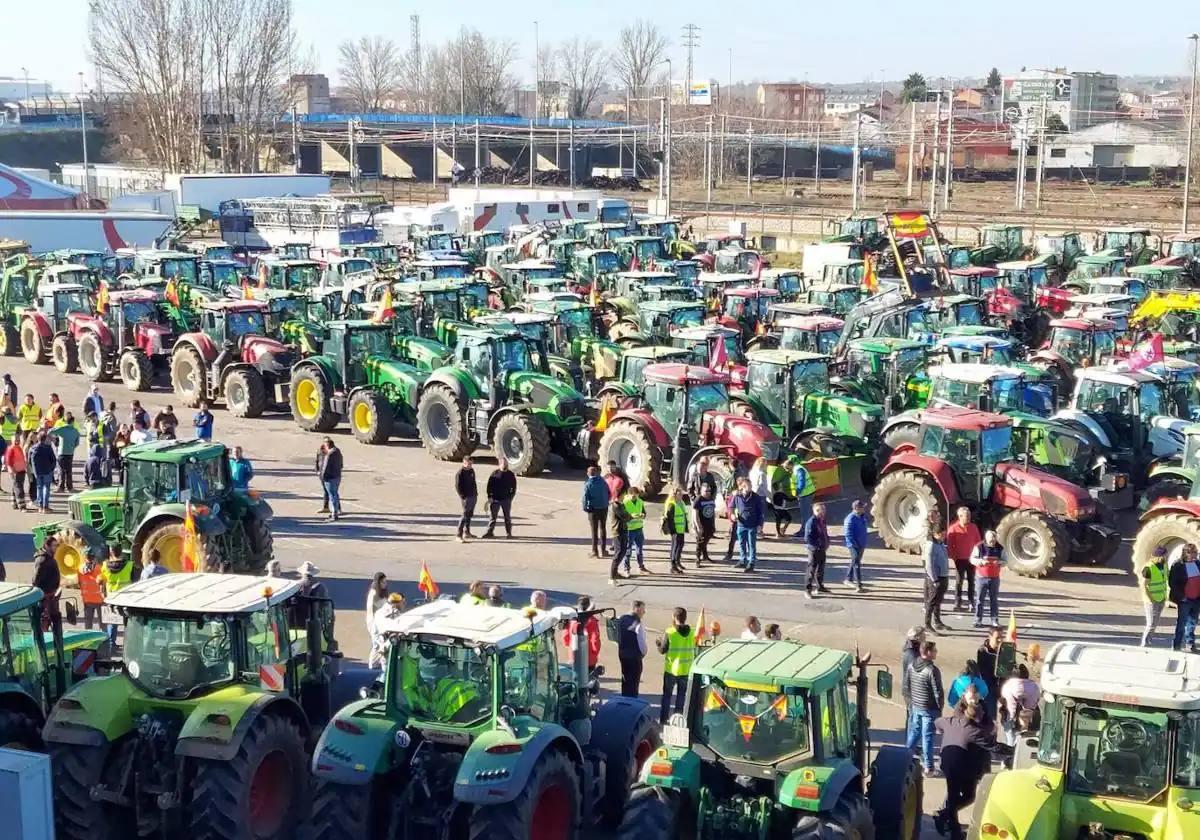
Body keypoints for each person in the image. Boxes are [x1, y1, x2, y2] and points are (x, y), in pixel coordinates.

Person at [934, 695, 996, 839]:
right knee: (957, 796)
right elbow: (994, 747)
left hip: (957, 766)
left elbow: (937, 723)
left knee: (966, 796)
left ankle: (943, 815)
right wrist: (1013, 750)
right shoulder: (976, 731)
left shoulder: (951, 721)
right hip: (960, 768)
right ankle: (954, 832)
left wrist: (944, 732)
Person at [904, 640, 944, 777]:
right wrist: (939, 710)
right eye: (934, 650)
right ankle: (929, 767)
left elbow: (907, 686)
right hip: (929, 708)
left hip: (916, 706)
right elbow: (937, 692)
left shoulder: (911, 666)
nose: (936, 652)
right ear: (927, 652)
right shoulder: (932, 670)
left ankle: (905, 758)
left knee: (914, 733)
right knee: (927, 738)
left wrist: (912, 702)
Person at [657, 607, 695, 725]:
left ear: (674, 617)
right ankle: (677, 721)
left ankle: (663, 720)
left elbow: (662, 650)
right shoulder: (692, 632)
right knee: (681, 697)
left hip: (671, 670)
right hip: (686, 670)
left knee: (667, 696)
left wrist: (658, 643)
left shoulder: (670, 632)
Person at [946, 507, 982, 613]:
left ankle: (971, 602)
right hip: (959, 559)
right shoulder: (953, 528)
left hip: (971, 559)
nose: (969, 518)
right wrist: (954, 556)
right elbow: (949, 545)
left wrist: (978, 556)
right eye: (967, 516)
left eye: (969, 515)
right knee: (959, 582)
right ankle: (957, 602)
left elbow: (978, 542)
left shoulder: (973, 527)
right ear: (960, 516)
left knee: (971, 582)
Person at [100, 547, 135, 646]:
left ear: (111, 552)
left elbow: (101, 580)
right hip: (126, 598)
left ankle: (111, 644)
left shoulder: (105, 566)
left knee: (112, 621)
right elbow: (134, 581)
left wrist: (102, 593)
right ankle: (128, 644)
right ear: (121, 552)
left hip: (112, 597)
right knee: (128, 621)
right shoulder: (129, 565)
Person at [999, 664, 1041, 747]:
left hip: (1014, 715)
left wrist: (1011, 719)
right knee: (1031, 738)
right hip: (1030, 716)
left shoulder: (1008, 686)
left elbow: (1011, 706)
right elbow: (1034, 702)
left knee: (1010, 734)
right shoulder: (1034, 686)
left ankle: (1011, 750)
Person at [1169, 544, 1200, 651]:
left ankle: (1190, 644)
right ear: (1186, 553)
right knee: (1181, 623)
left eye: (1196, 552)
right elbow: (1173, 583)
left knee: (1192, 623)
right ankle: (1177, 645)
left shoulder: (1198, 564)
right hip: (1185, 600)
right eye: (1193, 552)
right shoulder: (1178, 566)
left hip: (1196, 599)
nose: (1195, 554)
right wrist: (1181, 597)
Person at [971, 530, 1004, 628]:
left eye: (994, 539)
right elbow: (972, 559)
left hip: (994, 578)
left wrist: (999, 563)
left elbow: (1006, 560)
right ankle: (978, 620)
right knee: (980, 600)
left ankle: (994, 620)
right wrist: (980, 561)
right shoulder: (979, 547)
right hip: (981, 577)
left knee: (994, 600)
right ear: (986, 538)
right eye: (990, 540)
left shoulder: (1000, 548)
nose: (992, 542)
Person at [731, 476, 765, 571]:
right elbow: (731, 507)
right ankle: (742, 560)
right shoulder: (737, 496)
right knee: (741, 543)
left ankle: (752, 562)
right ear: (741, 487)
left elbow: (760, 512)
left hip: (752, 525)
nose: (749, 488)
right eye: (747, 486)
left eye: (750, 486)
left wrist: (760, 525)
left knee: (751, 544)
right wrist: (732, 515)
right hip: (741, 524)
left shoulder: (756, 497)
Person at [923, 523, 951, 633]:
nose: (943, 536)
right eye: (941, 534)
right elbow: (929, 564)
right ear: (935, 534)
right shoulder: (931, 545)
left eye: (944, 534)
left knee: (938, 601)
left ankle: (937, 621)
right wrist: (934, 579)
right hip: (936, 578)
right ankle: (927, 624)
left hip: (943, 576)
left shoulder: (940, 543)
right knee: (931, 602)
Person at [561, 595, 602, 671]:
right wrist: (595, 654)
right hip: (588, 658)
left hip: (573, 654)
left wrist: (570, 646)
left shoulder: (572, 619)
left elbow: (565, 637)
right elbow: (595, 640)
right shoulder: (592, 621)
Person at [616, 600, 647, 698]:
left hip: (623, 654)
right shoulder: (638, 623)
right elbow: (641, 643)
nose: (644, 612)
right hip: (634, 657)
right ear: (636, 609)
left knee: (625, 680)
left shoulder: (622, 619)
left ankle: (624, 699)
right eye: (643, 609)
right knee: (633, 684)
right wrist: (643, 653)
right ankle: (631, 702)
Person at [31, 535, 62, 632]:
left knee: (55, 619)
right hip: (45, 598)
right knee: (44, 622)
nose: (56, 548)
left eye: (56, 545)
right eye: (54, 546)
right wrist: (41, 595)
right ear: (47, 546)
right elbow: (35, 580)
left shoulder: (49, 558)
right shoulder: (42, 560)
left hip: (52, 596)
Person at [1140, 546, 1169, 646]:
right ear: (1158, 556)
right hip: (1151, 600)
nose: (1165, 557)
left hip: (1161, 598)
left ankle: (1149, 641)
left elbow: (1164, 580)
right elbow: (1143, 585)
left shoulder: (1164, 565)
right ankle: (1144, 644)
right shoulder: (1148, 567)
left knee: (1155, 623)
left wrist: (1165, 596)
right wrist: (1149, 598)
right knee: (1151, 624)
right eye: (1164, 556)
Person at [484, 457, 517, 539]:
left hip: (506, 500)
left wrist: (510, 497)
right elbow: (489, 487)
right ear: (499, 464)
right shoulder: (494, 474)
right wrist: (490, 497)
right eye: (503, 463)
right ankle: (489, 532)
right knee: (493, 517)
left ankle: (509, 533)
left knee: (507, 517)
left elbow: (514, 487)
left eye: (506, 463)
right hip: (495, 499)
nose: (505, 465)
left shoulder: (511, 474)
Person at [582, 465, 611, 557]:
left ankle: (595, 551)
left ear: (588, 474)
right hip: (604, 507)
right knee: (603, 528)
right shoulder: (603, 481)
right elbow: (609, 492)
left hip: (593, 509)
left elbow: (585, 498)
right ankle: (603, 550)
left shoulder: (588, 484)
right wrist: (606, 502)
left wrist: (585, 507)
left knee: (594, 530)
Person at [804, 502, 832, 596]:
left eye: (823, 510)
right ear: (814, 511)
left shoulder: (822, 520)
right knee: (811, 570)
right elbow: (807, 538)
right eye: (819, 510)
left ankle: (820, 587)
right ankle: (808, 590)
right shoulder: (811, 522)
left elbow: (824, 532)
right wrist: (817, 545)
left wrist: (827, 541)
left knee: (821, 569)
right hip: (814, 549)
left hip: (822, 548)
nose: (822, 512)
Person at [976, 626, 1004, 721]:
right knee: (990, 717)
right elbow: (985, 675)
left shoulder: (1005, 650)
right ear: (990, 637)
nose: (1000, 640)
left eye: (1001, 637)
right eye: (997, 638)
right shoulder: (983, 651)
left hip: (1003, 687)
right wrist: (997, 691)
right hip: (990, 689)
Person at [843, 499, 869, 591]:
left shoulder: (862, 517)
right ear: (857, 508)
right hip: (854, 545)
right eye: (862, 507)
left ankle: (848, 579)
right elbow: (848, 534)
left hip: (861, 544)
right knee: (857, 563)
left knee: (854, 561)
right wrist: (855, 545)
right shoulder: (850, 519)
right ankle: (859, 584)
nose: (864, 509)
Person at [623, 485, 649, 573]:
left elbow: (644, 512)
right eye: (633, 496)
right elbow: (622, 517)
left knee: (639, 550)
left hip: (639, 529)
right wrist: (631, 516)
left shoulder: (640, 501)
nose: (635, 497)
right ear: (629, 495)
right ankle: (627, 568)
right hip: (629, 530)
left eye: (636, 495)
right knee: (628, 550)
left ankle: (641, 567)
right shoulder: (625, 503)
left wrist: (643, 515)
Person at [51, 412, 80, 492]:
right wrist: (71, 447)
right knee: (69, 470)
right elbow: (77, 443)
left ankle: (61, 487)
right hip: (70, 452)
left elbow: (50, 432)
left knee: (61, 470)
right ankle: (70, 487)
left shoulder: (62, 429)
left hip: (61, 452)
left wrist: (55, 439)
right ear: (73, 422)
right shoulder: (75, 431)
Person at [608, 488, 632, 584]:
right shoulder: (615, 506)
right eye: (623, 495)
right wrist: (631, 516)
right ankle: (612, 577)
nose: (625, 496)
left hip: (624, 529)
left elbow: (626, 515)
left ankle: (616, 572)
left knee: (623, 551)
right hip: (617, 531)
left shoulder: (621, 505)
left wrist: (630, 516)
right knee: (618, 552)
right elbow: (624, 516)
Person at [663, 485, 688, 575]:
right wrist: (673, 530)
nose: (681, 494)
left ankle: (677, 562)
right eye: (679, 493)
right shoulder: (671, 504)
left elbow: (684, 515)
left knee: (680, 545)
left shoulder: (681, 502)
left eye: (681, 493)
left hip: (681, 529)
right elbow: (670, 519)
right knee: (675, 546)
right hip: (675, 530)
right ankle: (673, 566)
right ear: (674, 494)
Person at [29, 431, 57, 513]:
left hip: (37, 472)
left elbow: (29, 461)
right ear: (45, 439)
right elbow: (53, 460)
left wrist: (33, 470)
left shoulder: (32, 448)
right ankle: (45, 507)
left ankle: (40, 507)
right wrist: (51, 469)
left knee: (39, 488)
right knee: (46, 488)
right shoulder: (48, 448)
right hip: (47, 471)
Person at [691, 481, 717, 567]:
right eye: (706, 491)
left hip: (709, 524)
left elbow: (712, 512)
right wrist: (698, 526)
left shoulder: (711, 499)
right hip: (701, 524)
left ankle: (705, 556)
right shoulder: (698, 500)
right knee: (700, 542)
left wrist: (713, 524)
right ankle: (697, 559)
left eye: (709, 491)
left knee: (705, 541)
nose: (708, 493)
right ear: (701, 491)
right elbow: (695, 514)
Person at [78, 556, 106, 632]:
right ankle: (104, 641)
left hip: (87, 599)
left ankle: (88, 641)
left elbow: (79, 583)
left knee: (88, 624)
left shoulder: (79, 569)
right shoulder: (99, 568)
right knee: (103, 623)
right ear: (94, 558)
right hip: (99, 599)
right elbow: (104, 582)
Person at [455, 456, 477, 542]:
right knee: (464, 515)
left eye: (471, 463)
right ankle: (458, 535)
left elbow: (473, 482)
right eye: (468, 463)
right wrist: (463, 496)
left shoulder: (471, 471)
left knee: (469, 514)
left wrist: (475, 493)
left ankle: (467, 532)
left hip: (473, 496)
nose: (470, 465)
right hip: (466, 497)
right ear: (464, 462)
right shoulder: (460, 473)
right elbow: (458, 486)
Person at [320, 437, 343, 521]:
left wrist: (322, 477)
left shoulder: (329, 454)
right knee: (335, 494)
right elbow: (341, 464)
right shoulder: (338, 451)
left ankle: (334, 514)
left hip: (330, 477)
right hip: (337, 476)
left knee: (332, 495)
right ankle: (335, 512)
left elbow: (325, 467)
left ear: (327, 445)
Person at [4, 429, 27, 510]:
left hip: (22, 470)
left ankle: (14, 503)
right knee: (19, 488)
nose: (17, 442)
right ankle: (22, 506)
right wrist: (11, 471)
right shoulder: (11, 449)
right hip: (16, 471)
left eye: (18, 440)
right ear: (12, 440)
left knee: (15, 486)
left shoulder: (19, 448)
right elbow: (8, 462)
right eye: (15, 440)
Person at [790, 457, 815, 532]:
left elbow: (801, 483)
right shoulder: (798, 468)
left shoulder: (798, 470)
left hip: (805, 494)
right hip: (806, 493)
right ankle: (807, 529)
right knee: (806, 513)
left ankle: (805, 530)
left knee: (805, 514)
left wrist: (797, 492)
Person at [748, 457, 770, 536]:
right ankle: (759, 530)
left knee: (754, 512)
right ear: (763, 464)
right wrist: (769, 495)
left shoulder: (752, 472)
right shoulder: (762, 474)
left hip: (752, 493)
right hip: (761, 495)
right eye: (766, 464)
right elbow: (762, 485)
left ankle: (753, 529)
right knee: (761, 514)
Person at [366, 572, 389, 642]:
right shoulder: (373, 594)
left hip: (383, 622)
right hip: (375, 624)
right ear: (377, 582)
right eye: (382, 582)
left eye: (385, 582)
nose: (385, 584)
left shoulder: (382, 592)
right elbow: (371, 611)